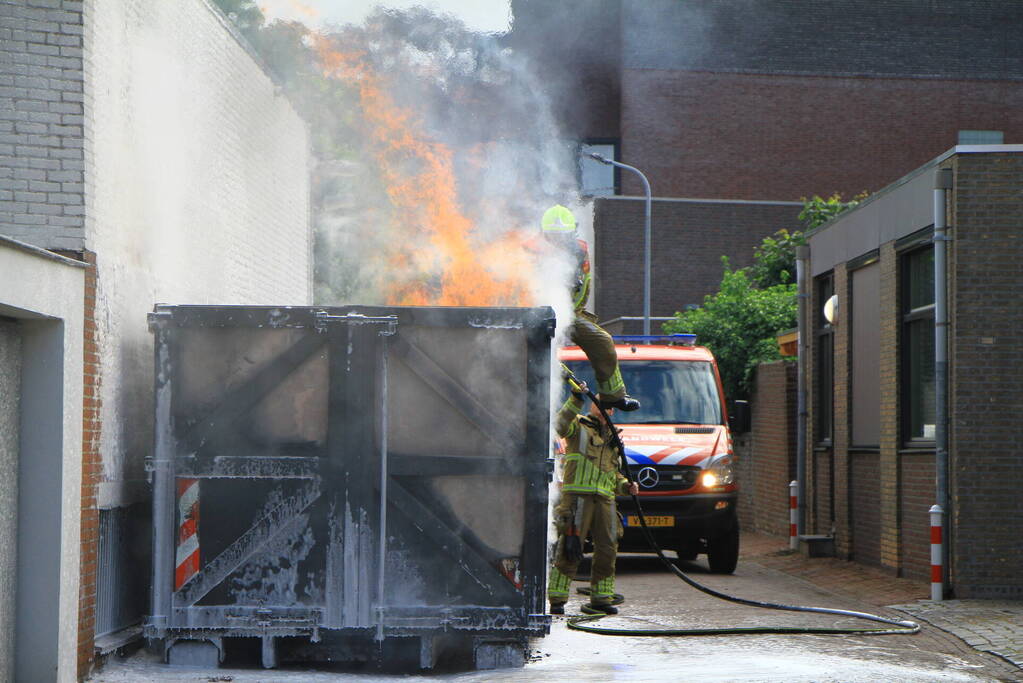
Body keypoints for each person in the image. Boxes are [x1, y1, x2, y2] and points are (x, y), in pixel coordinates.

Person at [548, 379, 639, 615]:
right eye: (601, 403)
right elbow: (559, 425)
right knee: (571, 548)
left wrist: (625, 485)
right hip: (577, 498)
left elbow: (614, 472)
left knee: (608, 548)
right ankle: (557, 600)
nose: (606, 409)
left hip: (605, 500)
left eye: (609, 406)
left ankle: (601, 599)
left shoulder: (614, 437)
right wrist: (576, 397)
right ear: (593, 405)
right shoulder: (578, 426)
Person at [540, 204, 639, 412]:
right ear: (544, 235)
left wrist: (570, 314)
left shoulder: (580, 253)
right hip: (536, 315)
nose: (557, 242)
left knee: (602, 341)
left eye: (562, 236)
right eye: (552, 236)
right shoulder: (531, 251)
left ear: (572, 233)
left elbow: (583, 286)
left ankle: (612, 397)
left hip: (569, 314)